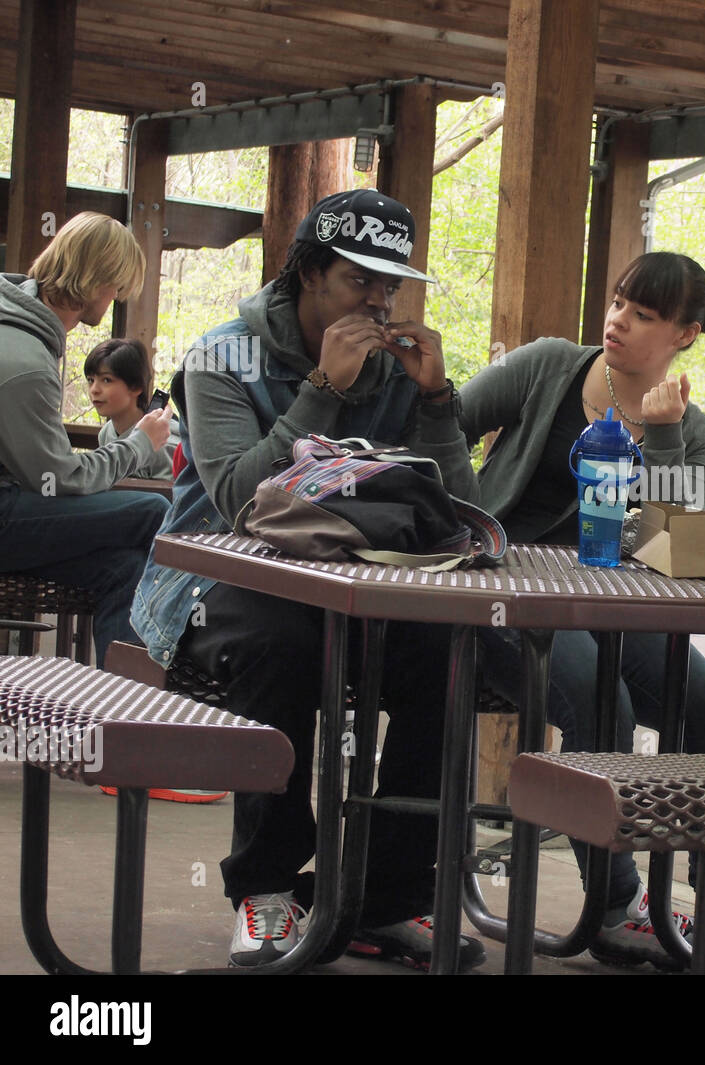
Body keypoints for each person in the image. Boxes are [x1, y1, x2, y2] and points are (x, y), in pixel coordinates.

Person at [130, 189, 484, 970]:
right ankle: (266, 889)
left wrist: (435, 399)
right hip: (208, 587)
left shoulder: (396, 372)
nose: (381, 301)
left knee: (452, 654)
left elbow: (460, 511)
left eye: (391, 285)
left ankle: (382, 898)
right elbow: (235, 504)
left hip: (349, 588)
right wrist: (321, 390)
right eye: (362, 281)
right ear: (308, 272)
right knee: (283, 641)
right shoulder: (224, 356)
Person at [457, 252, 705, 969]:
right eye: (621, 301)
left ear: (685, 335)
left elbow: (681, 541)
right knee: (610, 707)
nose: (620, 320)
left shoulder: (697, 430)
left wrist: (661, 436)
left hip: (612, 604)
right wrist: (457, 525)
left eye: (647, 314)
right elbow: (447, 417)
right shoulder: (548, 367)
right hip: (507, 594)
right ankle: (614, 905)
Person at [0, 212, 172, 668]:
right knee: (153, 511)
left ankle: (126, 702)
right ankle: (194, 658)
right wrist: (139, 442)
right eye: (116, 285)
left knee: (123, 568)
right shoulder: (24, 360)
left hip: (11, 507)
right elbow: (56, 478)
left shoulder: (18, 323)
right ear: (98, 280)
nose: (116, 296)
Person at [84, 337, 178, 480]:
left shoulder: (164, 440)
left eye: (106, 380)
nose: (94, 390)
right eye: (91, 380)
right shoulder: (106, 433)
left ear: (136, 387)